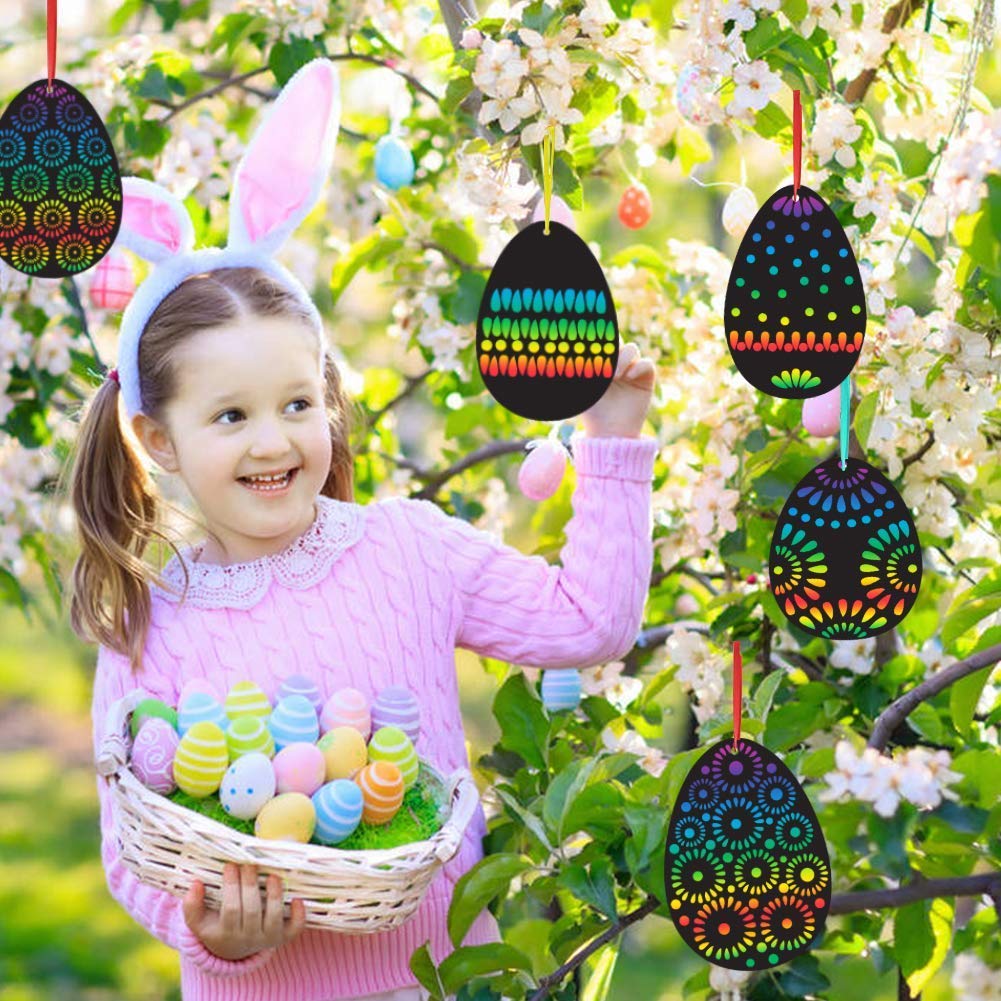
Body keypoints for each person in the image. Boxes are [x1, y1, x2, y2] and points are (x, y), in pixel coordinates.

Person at [65, 58, 659, 1001]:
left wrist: (613, 440)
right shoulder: (155, 614)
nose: (274, 441)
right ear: (157, 439)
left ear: (329, 401)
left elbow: (589, 623)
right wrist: (217, 932)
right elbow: (132, 850)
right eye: (230, 417)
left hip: (437, 980)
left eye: (297, 402)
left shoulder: (406, 548)